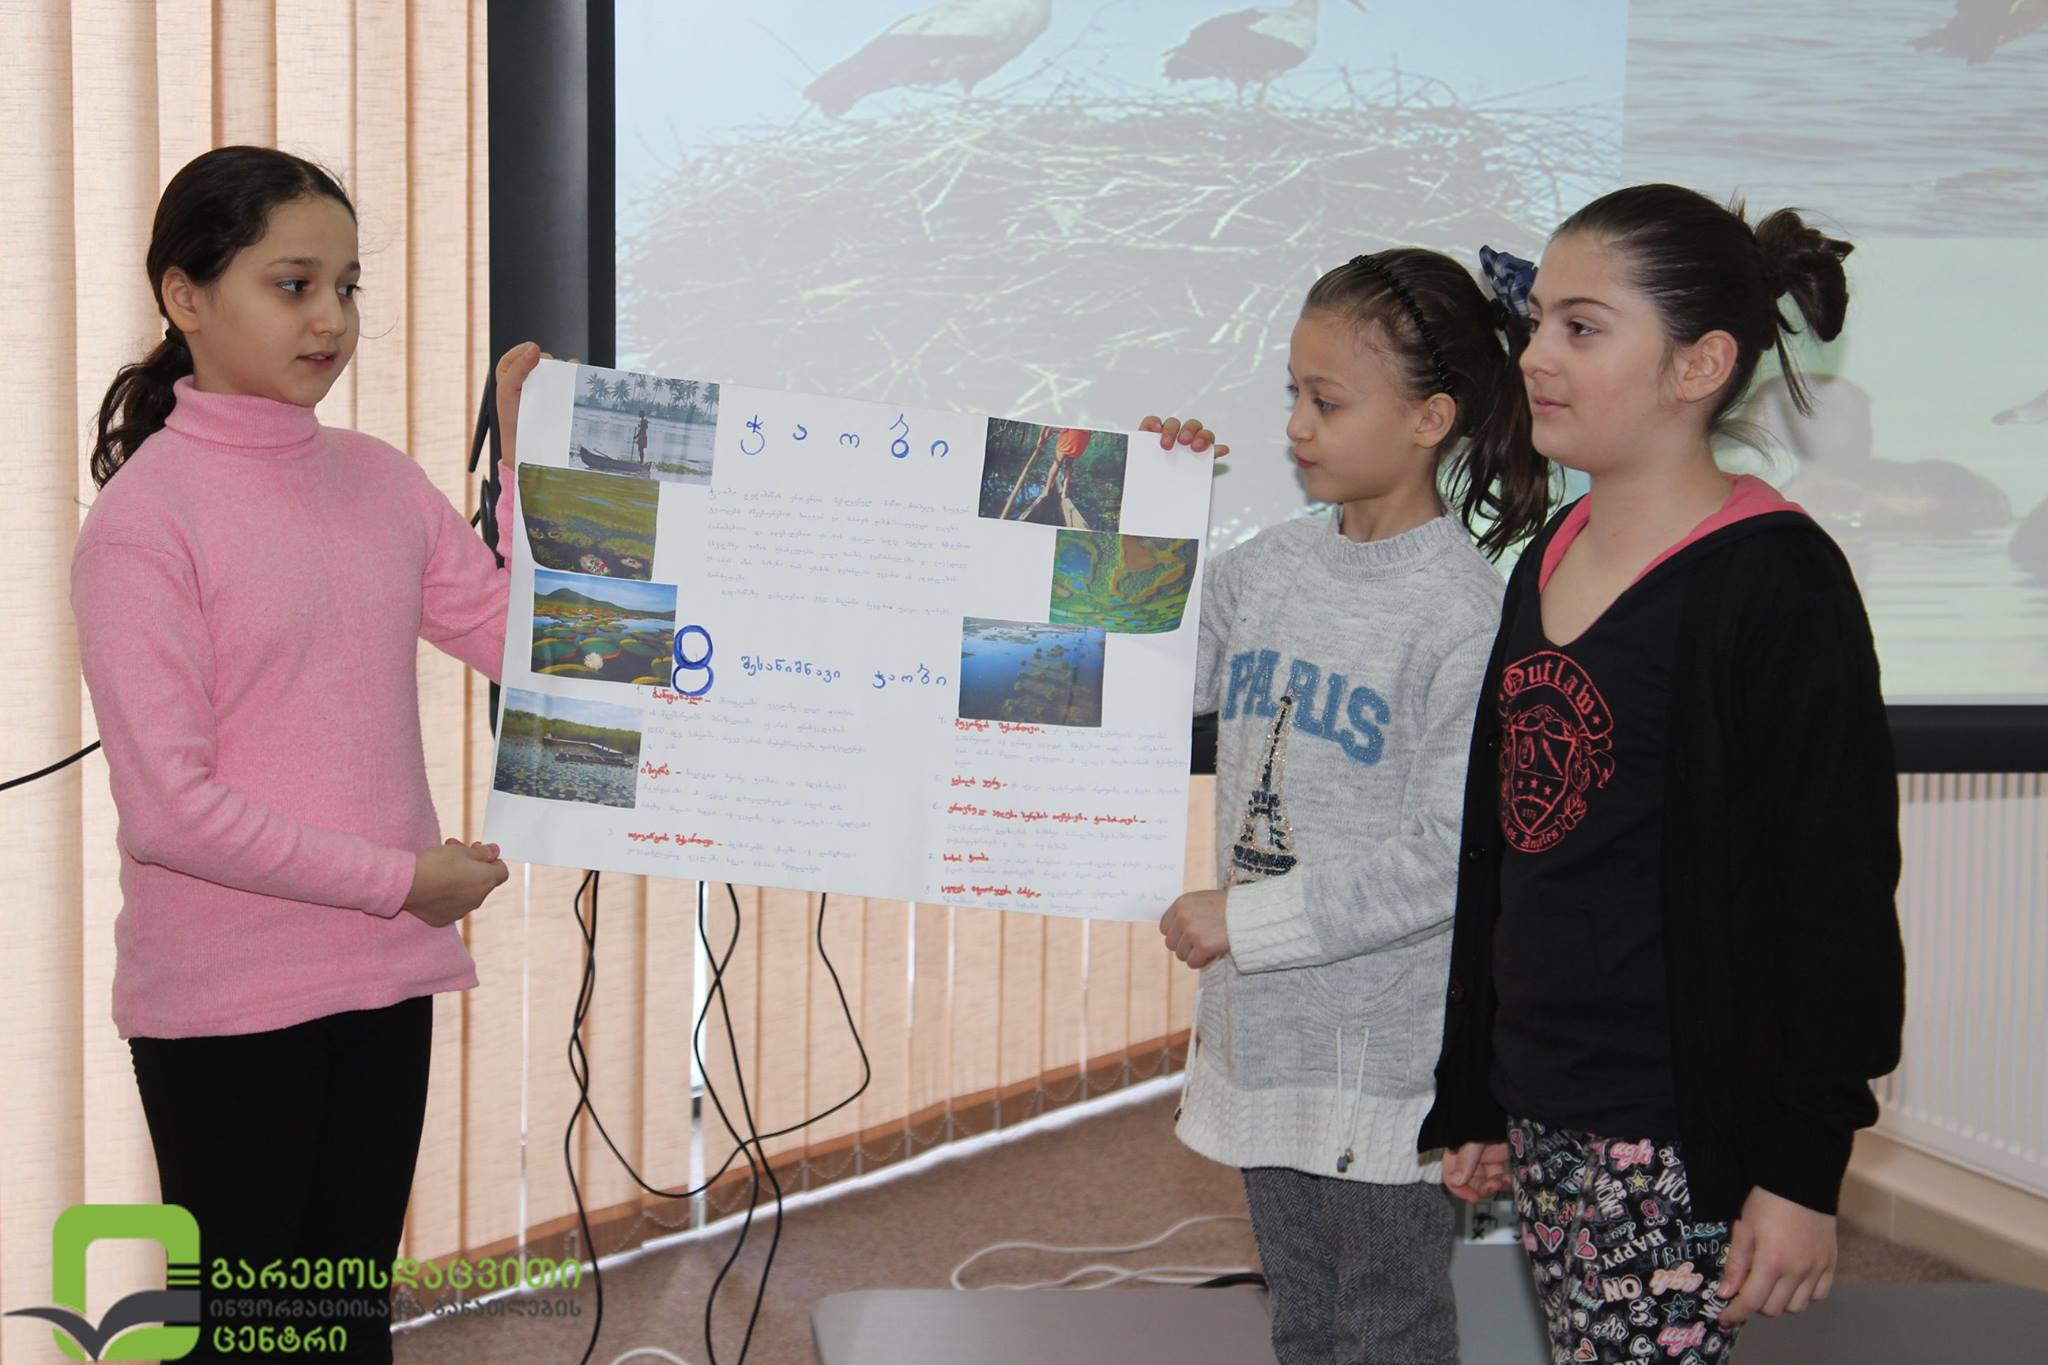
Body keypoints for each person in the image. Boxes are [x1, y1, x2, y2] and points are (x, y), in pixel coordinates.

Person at [70, 144, 546, 1363]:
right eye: (293, 285)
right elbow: (171, 812)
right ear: (185, 296)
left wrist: (533, 465)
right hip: (228, 1006)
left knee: (344, 1323)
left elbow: (525, 642)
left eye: (346, 287)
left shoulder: (376, 480)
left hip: (382, 976)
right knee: (258, 1340)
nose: (330, 319)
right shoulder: (144, 524)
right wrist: (404, 880)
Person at [1420, 185, 1907, 1365]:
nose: (1533, 354)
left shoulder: (1774, 583)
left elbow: (1833, 898)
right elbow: (1511, 846)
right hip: (1548, 1099)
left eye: (1580, 328)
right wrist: (1481, 1092)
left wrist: (1801, 1169)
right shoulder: (1548, 553)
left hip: (1676, 1126)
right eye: (1537, 321)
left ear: (1698, 366)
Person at [1145, 246, 1550, 1364]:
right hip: (1262, 1030)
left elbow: (1443, 859)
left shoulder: (1463, 613)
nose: (1296, 426)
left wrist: (1246, 918)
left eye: (1326, 401)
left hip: (1385, 1060)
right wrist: (1153, 507)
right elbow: (1147, 676)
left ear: (1429, 419)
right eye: (1294, 394)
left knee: (1385, 1325)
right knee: (1305, 1318)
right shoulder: (1266, 571)